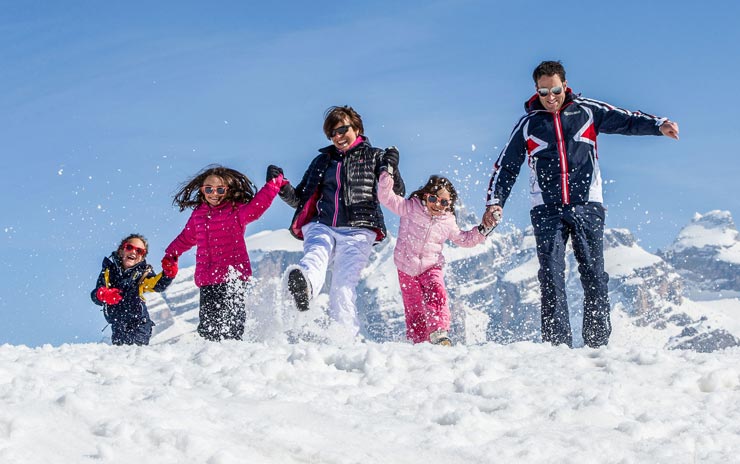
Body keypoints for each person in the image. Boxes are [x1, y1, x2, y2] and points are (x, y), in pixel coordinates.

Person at [482, 60, 680, 348]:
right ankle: (557, 346)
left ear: (565, 85)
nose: (550, 97)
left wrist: (657, 125)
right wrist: (495, 202)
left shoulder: (587, 111)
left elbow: (625, 119)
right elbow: (507, 166)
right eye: (543, 92)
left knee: (594, 275)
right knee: (550, 275)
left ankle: (597, 346)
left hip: (587, 205)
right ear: (536, 90)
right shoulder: (528, 125)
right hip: (546, 209)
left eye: (556, 90)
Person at [277, 105, 405, 339]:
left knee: (343, 285)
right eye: (332, 134)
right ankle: (304, 288)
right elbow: (300, 199)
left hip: (359, 228)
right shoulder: (322, 161)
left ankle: (344, 338)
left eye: (342, 130)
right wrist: (281, 186)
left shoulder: (375, 156)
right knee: (315, 255)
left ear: (356, 127)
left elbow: (397, 192)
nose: (337, 137)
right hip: (321, 224)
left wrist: (391, 167)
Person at [163, 164, 287, 341]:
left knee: (232, 324)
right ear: (202, 190)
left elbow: (257, 207)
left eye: (220, 189)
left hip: (232, 276)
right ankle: (211, 360)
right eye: (209, 189)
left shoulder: (236, 211)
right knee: (208, 327)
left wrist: (273, 184)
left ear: (227, 190)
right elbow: (186, 237)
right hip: (207, 278)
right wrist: (171, 255)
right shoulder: (198, 214)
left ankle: (233, 354)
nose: (214, 194)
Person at [378, 172, 489, 345]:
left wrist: (482, 230)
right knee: (414, 309)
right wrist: (387, 173)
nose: (437, 205)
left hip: (431, 267)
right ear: (425, 196)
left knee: (437, 292)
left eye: (444, 202)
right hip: (406, 268)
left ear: (449, 205)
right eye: (433, 199)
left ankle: (439, 332)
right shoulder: (410, 207)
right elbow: (386, 197)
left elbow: (465, 239)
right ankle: (419, 341)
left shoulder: (448, 221)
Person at [91, 233, 176, 346]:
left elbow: (156, 284)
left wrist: (168, 274)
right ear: (121, 251)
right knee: (118, 354)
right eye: (129, 247)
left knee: (133, 351)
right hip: (117, 324)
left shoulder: (143, 272)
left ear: (142, 257)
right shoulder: (109, 271)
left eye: (139, 251)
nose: (134, 252)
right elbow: (95, 294)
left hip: (139, 323)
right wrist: (104, 295)